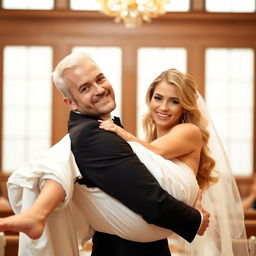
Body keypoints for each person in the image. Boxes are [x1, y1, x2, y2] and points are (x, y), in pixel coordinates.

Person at [0, 52, 210, 256]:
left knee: (65, 150)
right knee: (65, 150)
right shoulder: (95, 134)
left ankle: (38, 212)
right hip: (124, 249)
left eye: (100, 78)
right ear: (70, 103)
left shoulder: (181, 132)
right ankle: (37, 213)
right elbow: (150, 200)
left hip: (144, 246)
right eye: (85, 88)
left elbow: (150, 182)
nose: (99, 89)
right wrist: (195, 219)